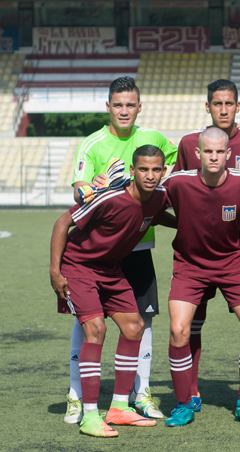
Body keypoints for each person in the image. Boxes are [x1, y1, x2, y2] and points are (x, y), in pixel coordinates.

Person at [64, 76, 177, 424]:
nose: (124, 111)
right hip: (99, 251)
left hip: (139, 245)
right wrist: (90, 189)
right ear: (108, 107)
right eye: (118, 105)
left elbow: (182, 160)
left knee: (141, 320)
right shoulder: (92, 144)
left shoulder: (153, 139)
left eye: (130, 104)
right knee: (89, 323)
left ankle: (138, 394)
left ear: (139, 107)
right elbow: (79, 189)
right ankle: (76, 396)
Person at [50, 145, 173, 437]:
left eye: (156, 169)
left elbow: (158, 215)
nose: (150, 175)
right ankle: (90, 415)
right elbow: (62, 223)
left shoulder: (159, 198)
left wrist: (190, 226)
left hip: (111, 269)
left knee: (134, 326)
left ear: (163, 171)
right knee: (95, 330)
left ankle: (119, 407)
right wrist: (55, 272)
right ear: (132, 171)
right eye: (143, 169)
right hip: (79, 266)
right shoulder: (109, 197)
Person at [172, 79, 240, 412]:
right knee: (190, 324)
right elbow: (174, 193)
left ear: (237, 107)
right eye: (217, 104)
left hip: (238, 253)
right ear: (208, 106)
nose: (223, 109)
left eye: (229, 104)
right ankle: (191, 393)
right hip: (194, 256)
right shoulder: (189, 144)